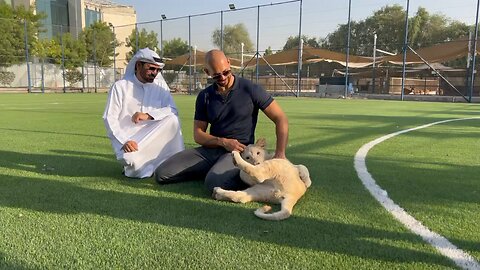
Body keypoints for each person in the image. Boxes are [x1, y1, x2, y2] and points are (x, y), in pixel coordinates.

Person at [155, 49, 288, 193]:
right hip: (211, 149)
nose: (223, 77)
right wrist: (223, 142)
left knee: (213, 184)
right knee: (162, 174)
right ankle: (214, 170)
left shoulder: (250, 89)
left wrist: (280, 153)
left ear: (229, 63)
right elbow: (198, 134)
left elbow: (280, 118)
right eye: (217, 76)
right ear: (207, 72)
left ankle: (240, 173)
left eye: (226, 72)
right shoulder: (205, 96)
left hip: (239, 152)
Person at [103, 48, 184, 178]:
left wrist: (148, 115)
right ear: (138, 65)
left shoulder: (160, 87)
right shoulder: (120, 87)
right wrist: (125, 141)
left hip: (154, 135)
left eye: (158, 70)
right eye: (151, 68)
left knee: (172, 120)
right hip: (130, 140)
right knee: (133, 164)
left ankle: (172, 163)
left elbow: (172, 109)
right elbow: (109, 118)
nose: (155, 73)